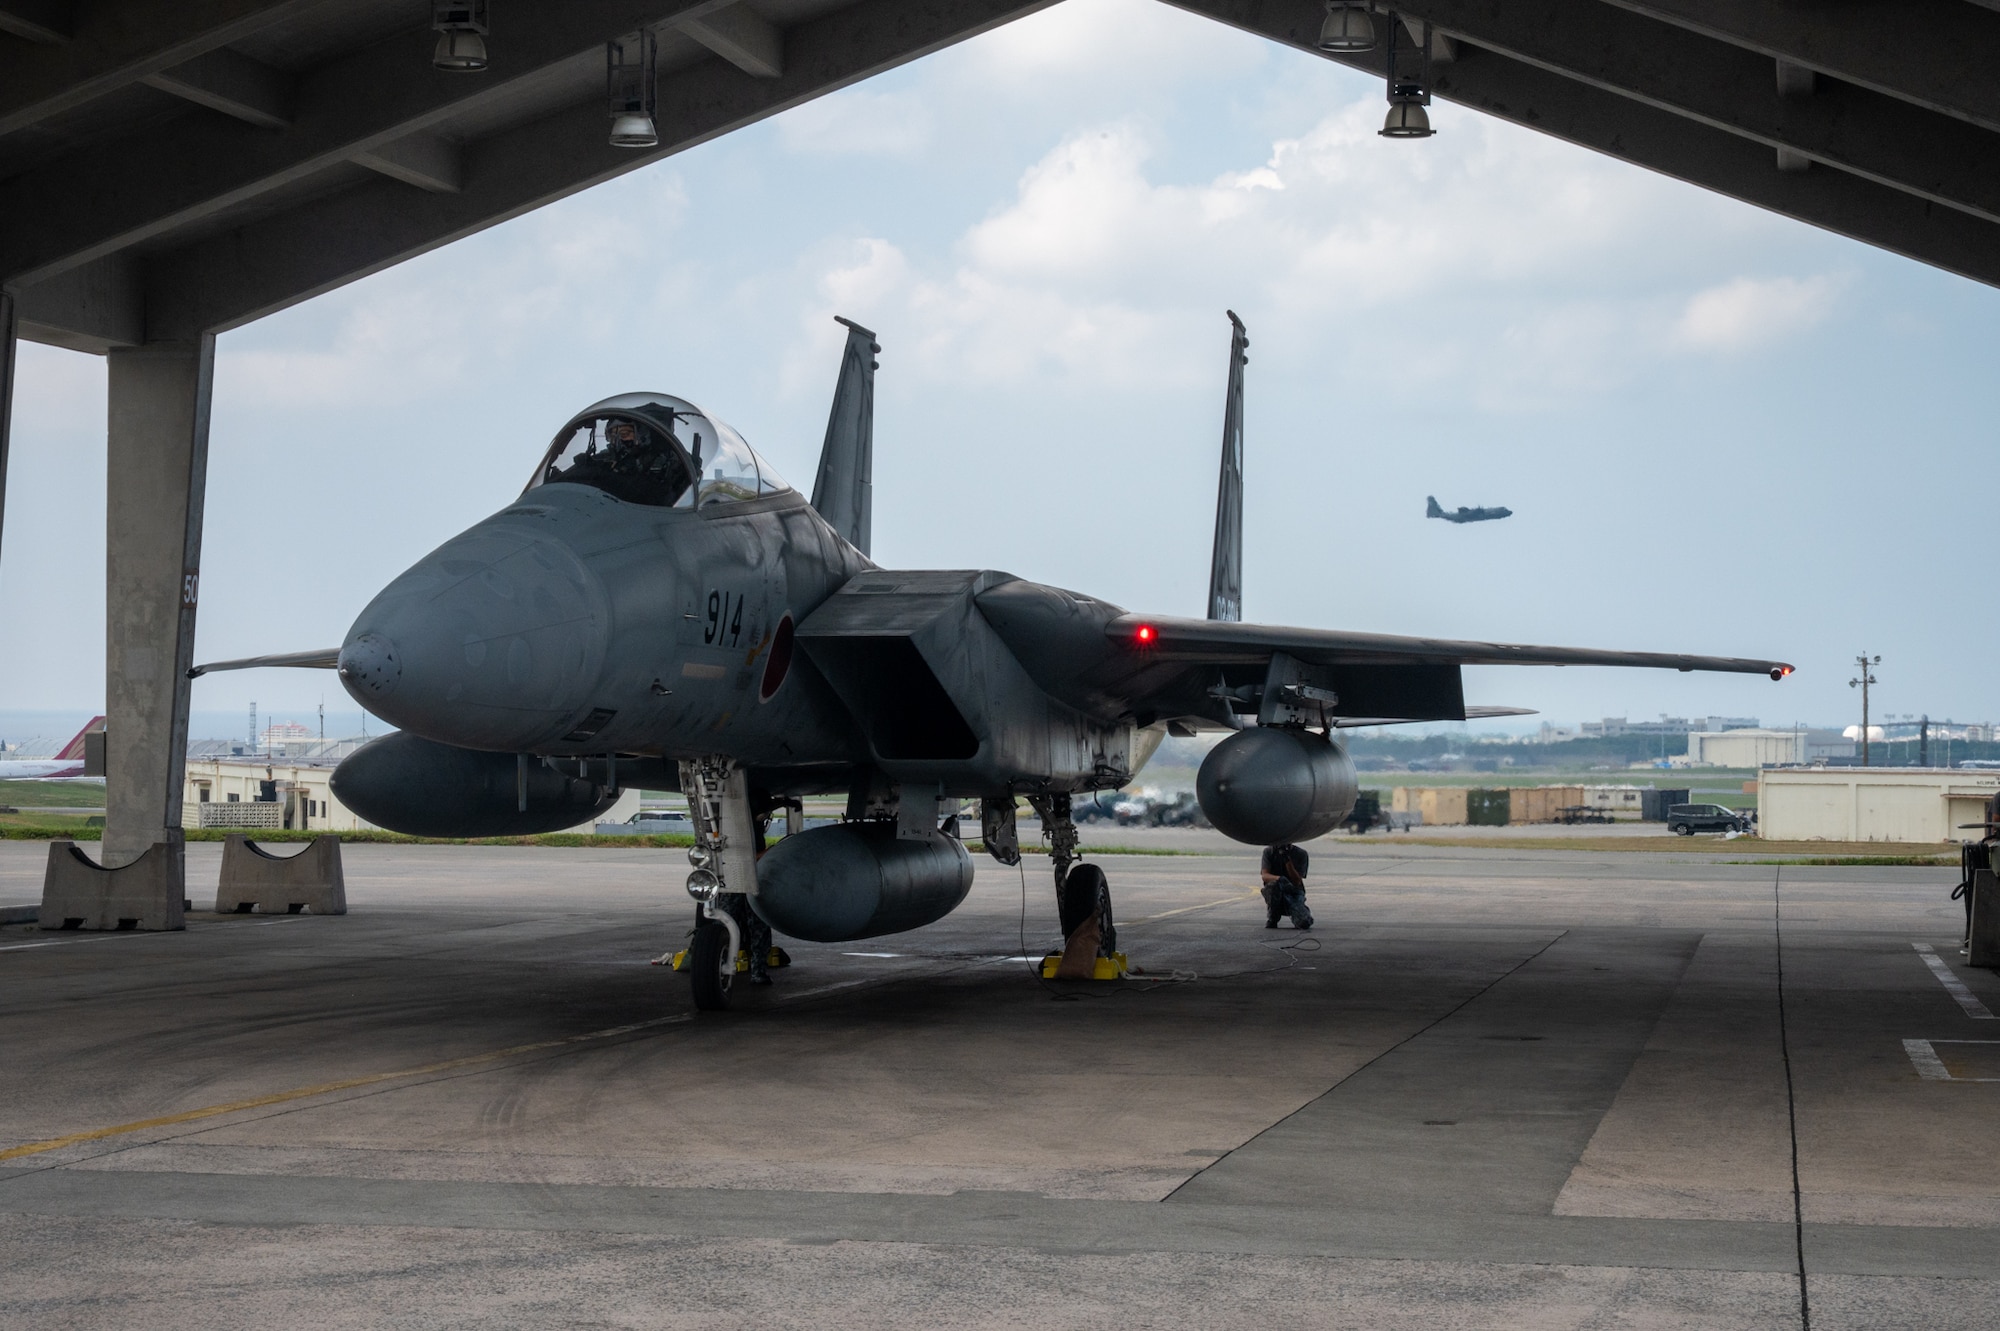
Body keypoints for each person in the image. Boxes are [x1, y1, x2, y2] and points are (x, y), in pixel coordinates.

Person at [1261, 843, 1313, 930]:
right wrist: (1280, 879)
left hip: (1294, 892)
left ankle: (1301, 912)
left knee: (1304, 923)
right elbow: (1265, 876)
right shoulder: (1269, 852)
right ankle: (1273, 916)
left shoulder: (1301, 854)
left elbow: (1297, 881)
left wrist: (1287, 859)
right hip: (1277, 892)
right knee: (1273, 886)